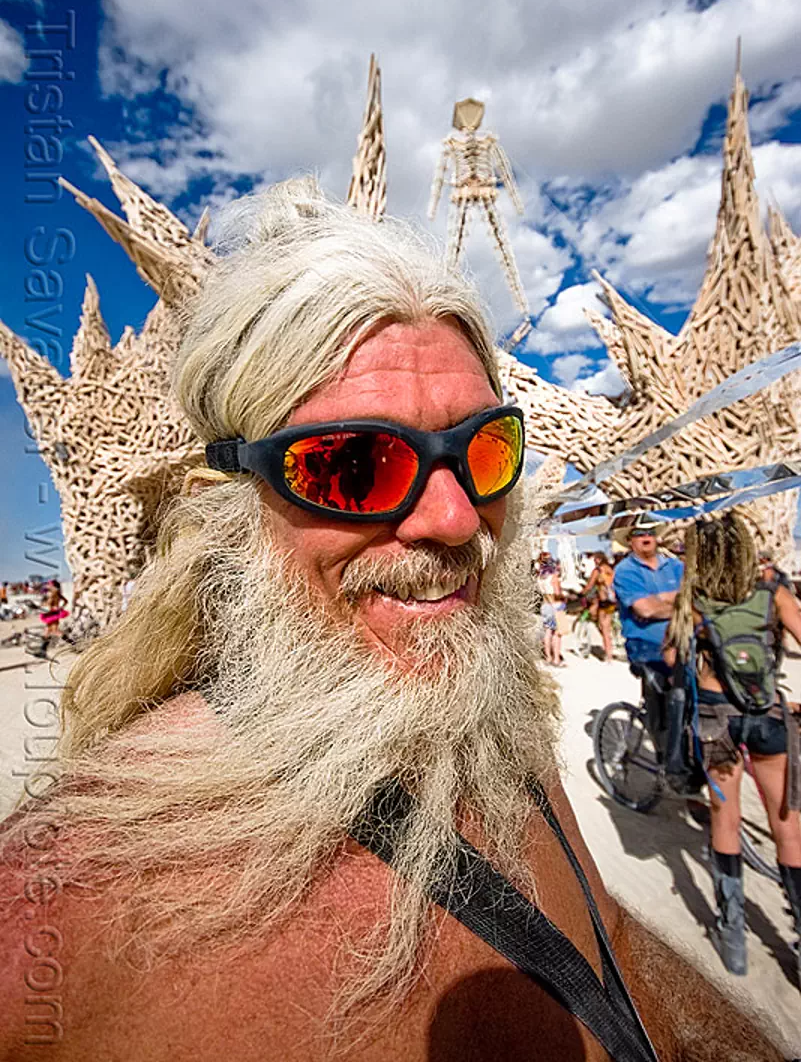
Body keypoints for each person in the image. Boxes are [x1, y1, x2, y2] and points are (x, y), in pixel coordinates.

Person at [0, 180, 785, 1061]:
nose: (453, 519)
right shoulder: (61, 914)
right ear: (228, 503)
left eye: (485, 450)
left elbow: (610, 942)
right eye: (352, 465)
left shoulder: (493, 732)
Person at [667, 513, 801, 982]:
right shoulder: (773, 592)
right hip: (767, 714)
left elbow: (672, 655)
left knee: (726, 817)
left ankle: (733, 937)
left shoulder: (694, 600)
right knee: (788, 827)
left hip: (715, 717)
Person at [613, 518, 683, 753]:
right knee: (663, 697)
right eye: (639, 533)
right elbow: (645, 609)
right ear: (630, 540)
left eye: (650, 532)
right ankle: (665, 756)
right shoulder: (625, 571)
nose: (646, 537)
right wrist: (677, 602)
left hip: (680, 639)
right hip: (645, 645)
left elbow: (692, 598)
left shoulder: (675, 566)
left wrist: (659, 601)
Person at [581, 550, 616, 662]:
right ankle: (609, 648)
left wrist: (581, 593)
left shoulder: (598, 570)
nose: (594, 561)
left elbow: (589, 586)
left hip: (604, 601)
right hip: (612, 600)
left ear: (599, 559)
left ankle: (608, 655)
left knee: (603, 627)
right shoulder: (610, 569)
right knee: (606, 627)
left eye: (596, 559)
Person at [534, 550, 566, 667]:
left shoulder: (540, 578)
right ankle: (556, 659)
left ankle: (548, 657)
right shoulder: (553, 577)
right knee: (557, 634)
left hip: (545, 605)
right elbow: (557, 593)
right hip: (556, 605)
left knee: (547, 632)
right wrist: (564, 596)